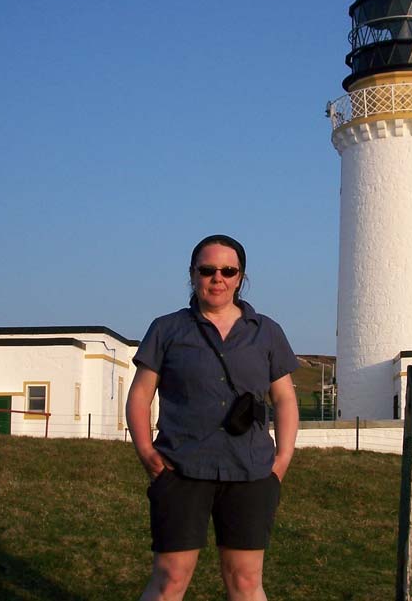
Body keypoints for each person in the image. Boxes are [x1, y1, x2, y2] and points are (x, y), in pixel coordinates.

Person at [127, 234, 299, 601]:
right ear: (192, 275)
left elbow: (284, 398)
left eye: (227, 270)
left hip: (251, 472)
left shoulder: (266, 331)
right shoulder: (166, 329)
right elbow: (141, 394)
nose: (217, 278)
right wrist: (146, 451)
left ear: (240, 277)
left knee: (245, 580)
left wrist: (282, 459)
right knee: (171, 577)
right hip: (181, 469)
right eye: (207, 270)